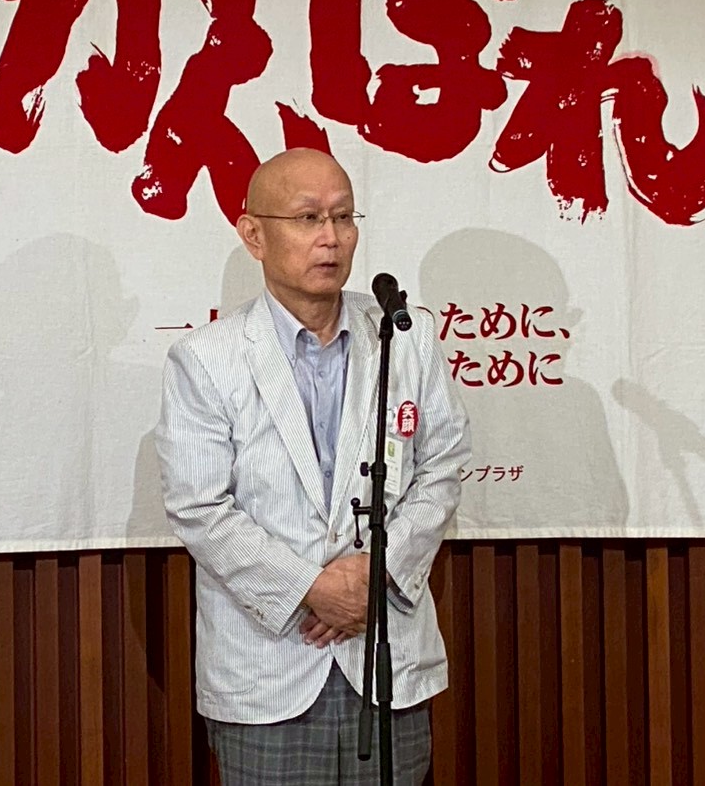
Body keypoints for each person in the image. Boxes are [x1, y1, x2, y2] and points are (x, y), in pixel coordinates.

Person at [155, 147, 471, 785]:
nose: (331, 237)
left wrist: (373, 575)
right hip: (268, 666)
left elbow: (442, 465)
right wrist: (311, 587)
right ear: (254, 235)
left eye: (343, 217)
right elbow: (199, 506)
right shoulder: (206, 358)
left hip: (385, 658)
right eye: (307, 218)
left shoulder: (404, 337)